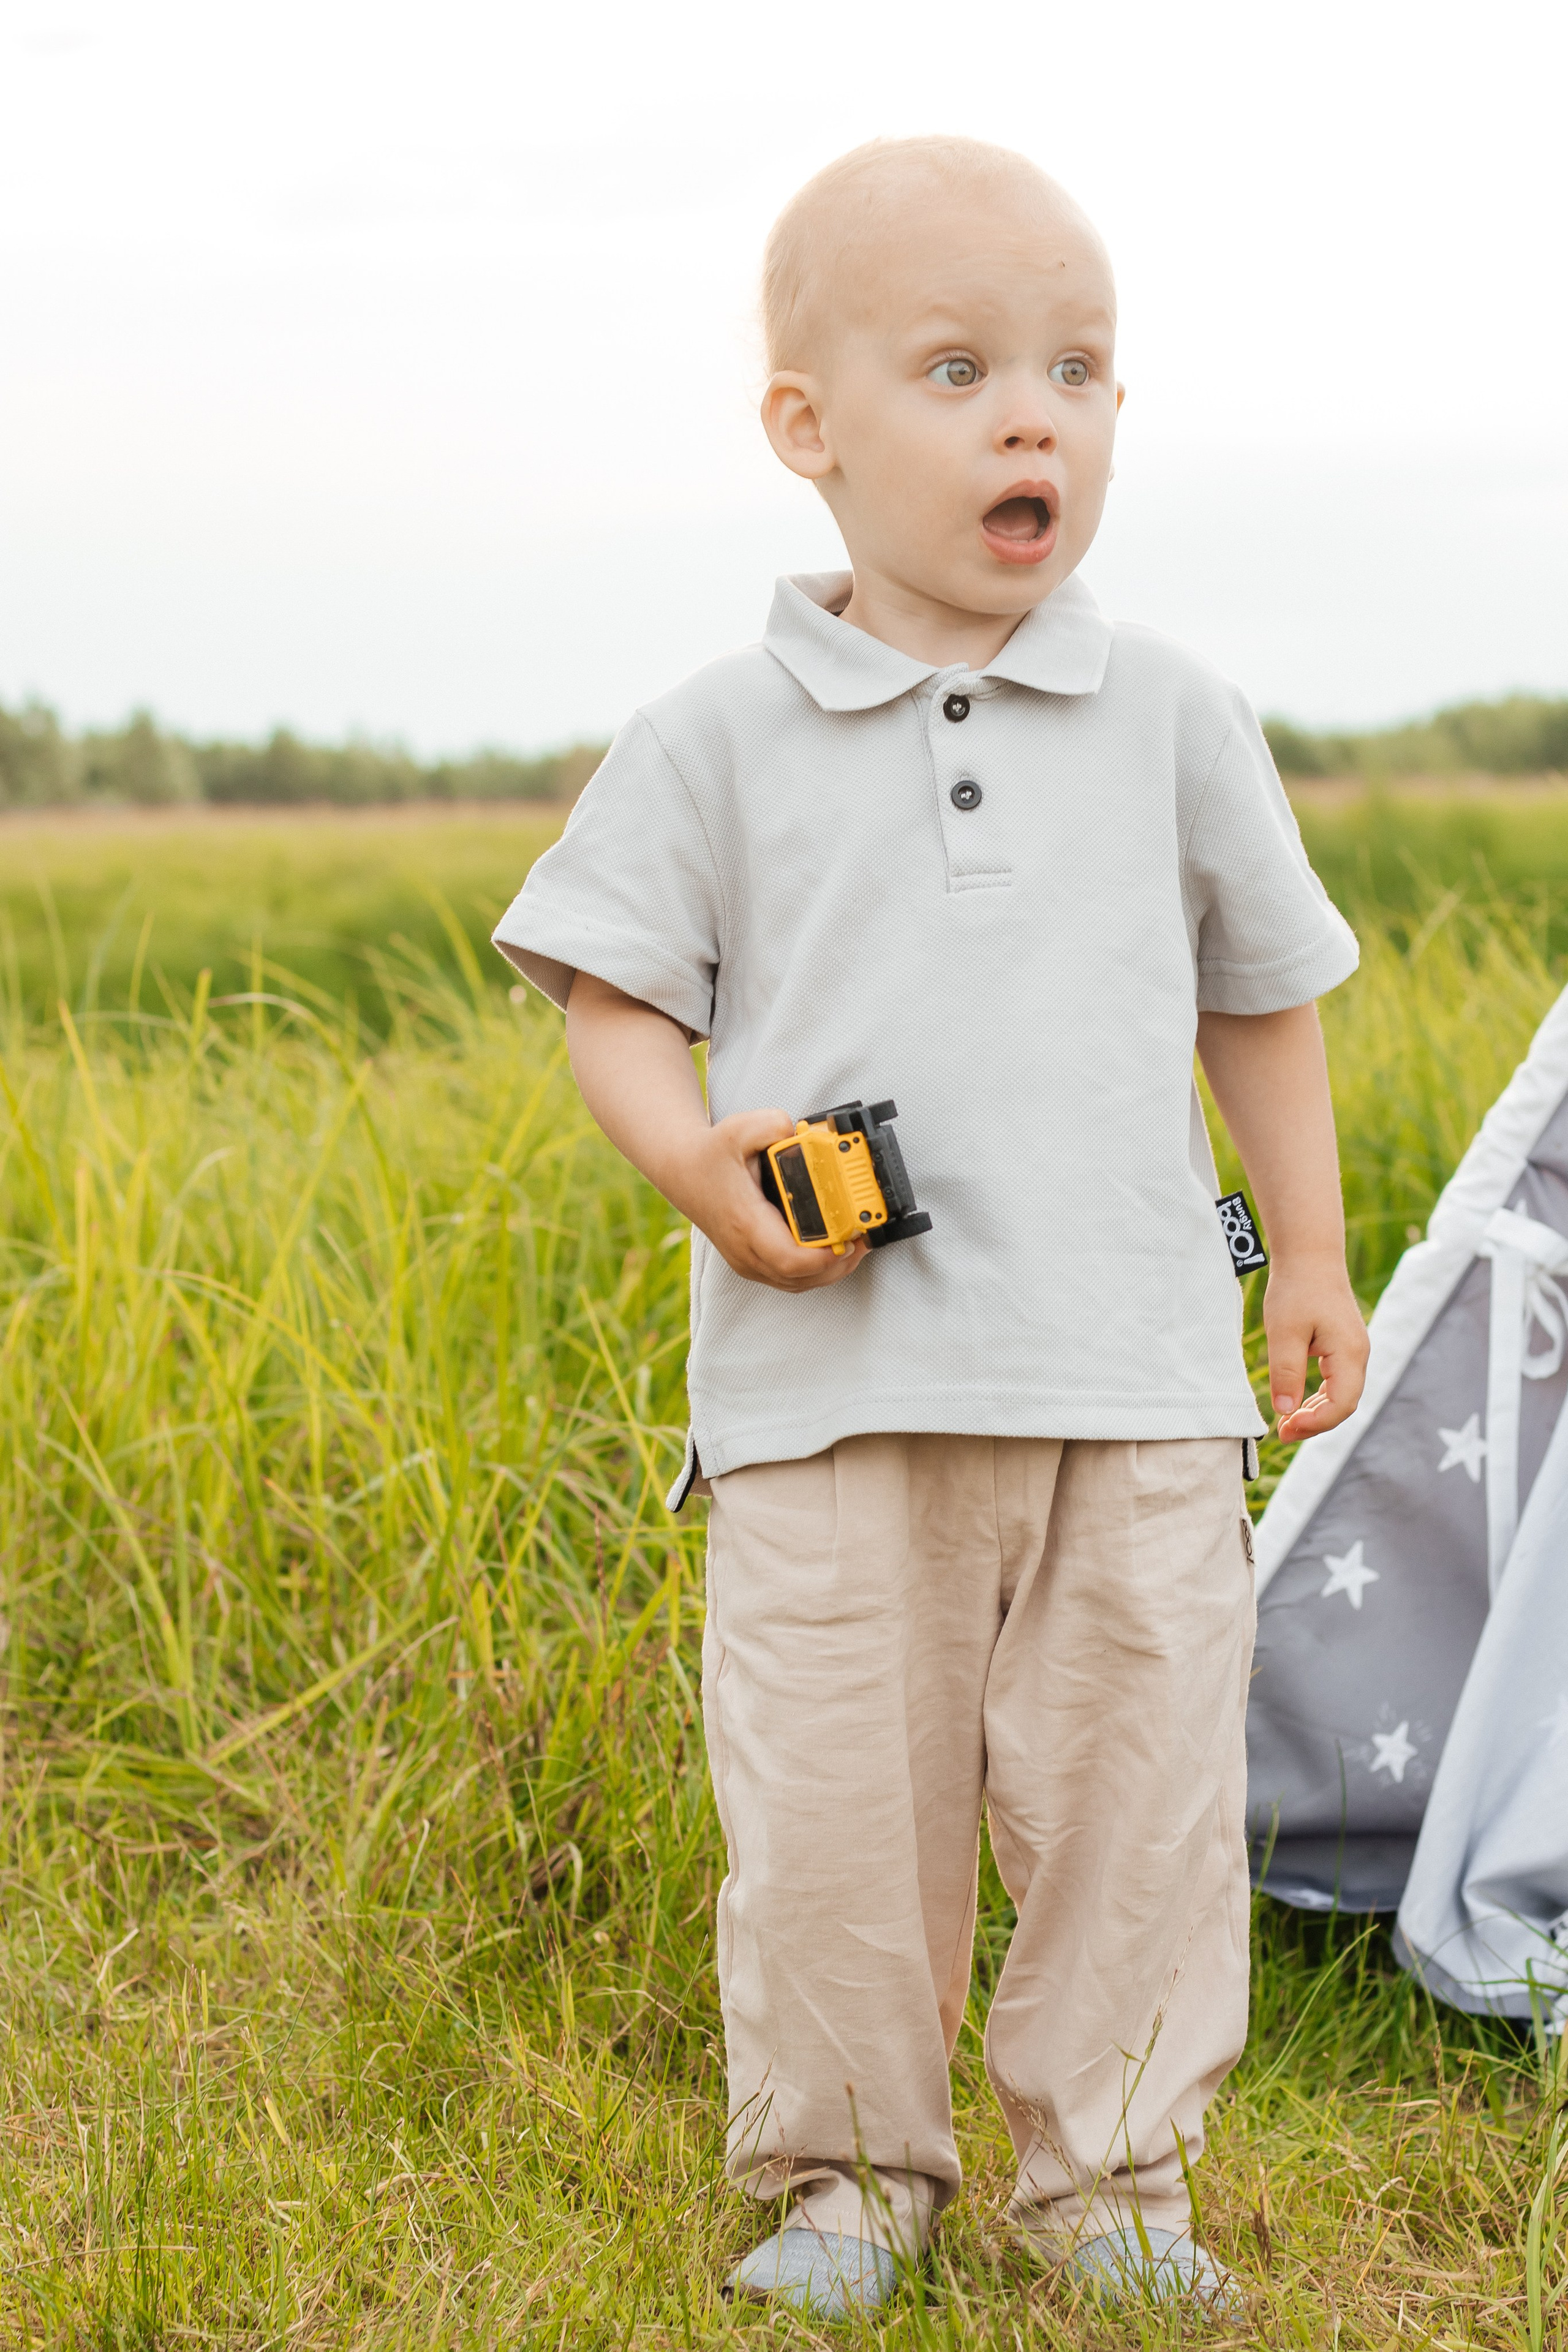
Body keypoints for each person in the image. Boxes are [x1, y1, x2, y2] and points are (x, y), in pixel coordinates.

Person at [492, 135, 1368, 2322]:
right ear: (810, 428)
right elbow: (617, 1007)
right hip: (830, 1389)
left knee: (1139, 1802)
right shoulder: (714, 734)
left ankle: (1117, 2182)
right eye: (961, 366)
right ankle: (851, 2176)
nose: (1032, 417)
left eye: (1078, 371)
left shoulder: (1173, 714)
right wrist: (706, 1169)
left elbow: (1263, 1001)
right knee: (833, 1818)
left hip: (1134, 1376)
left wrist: (1321, 1261)